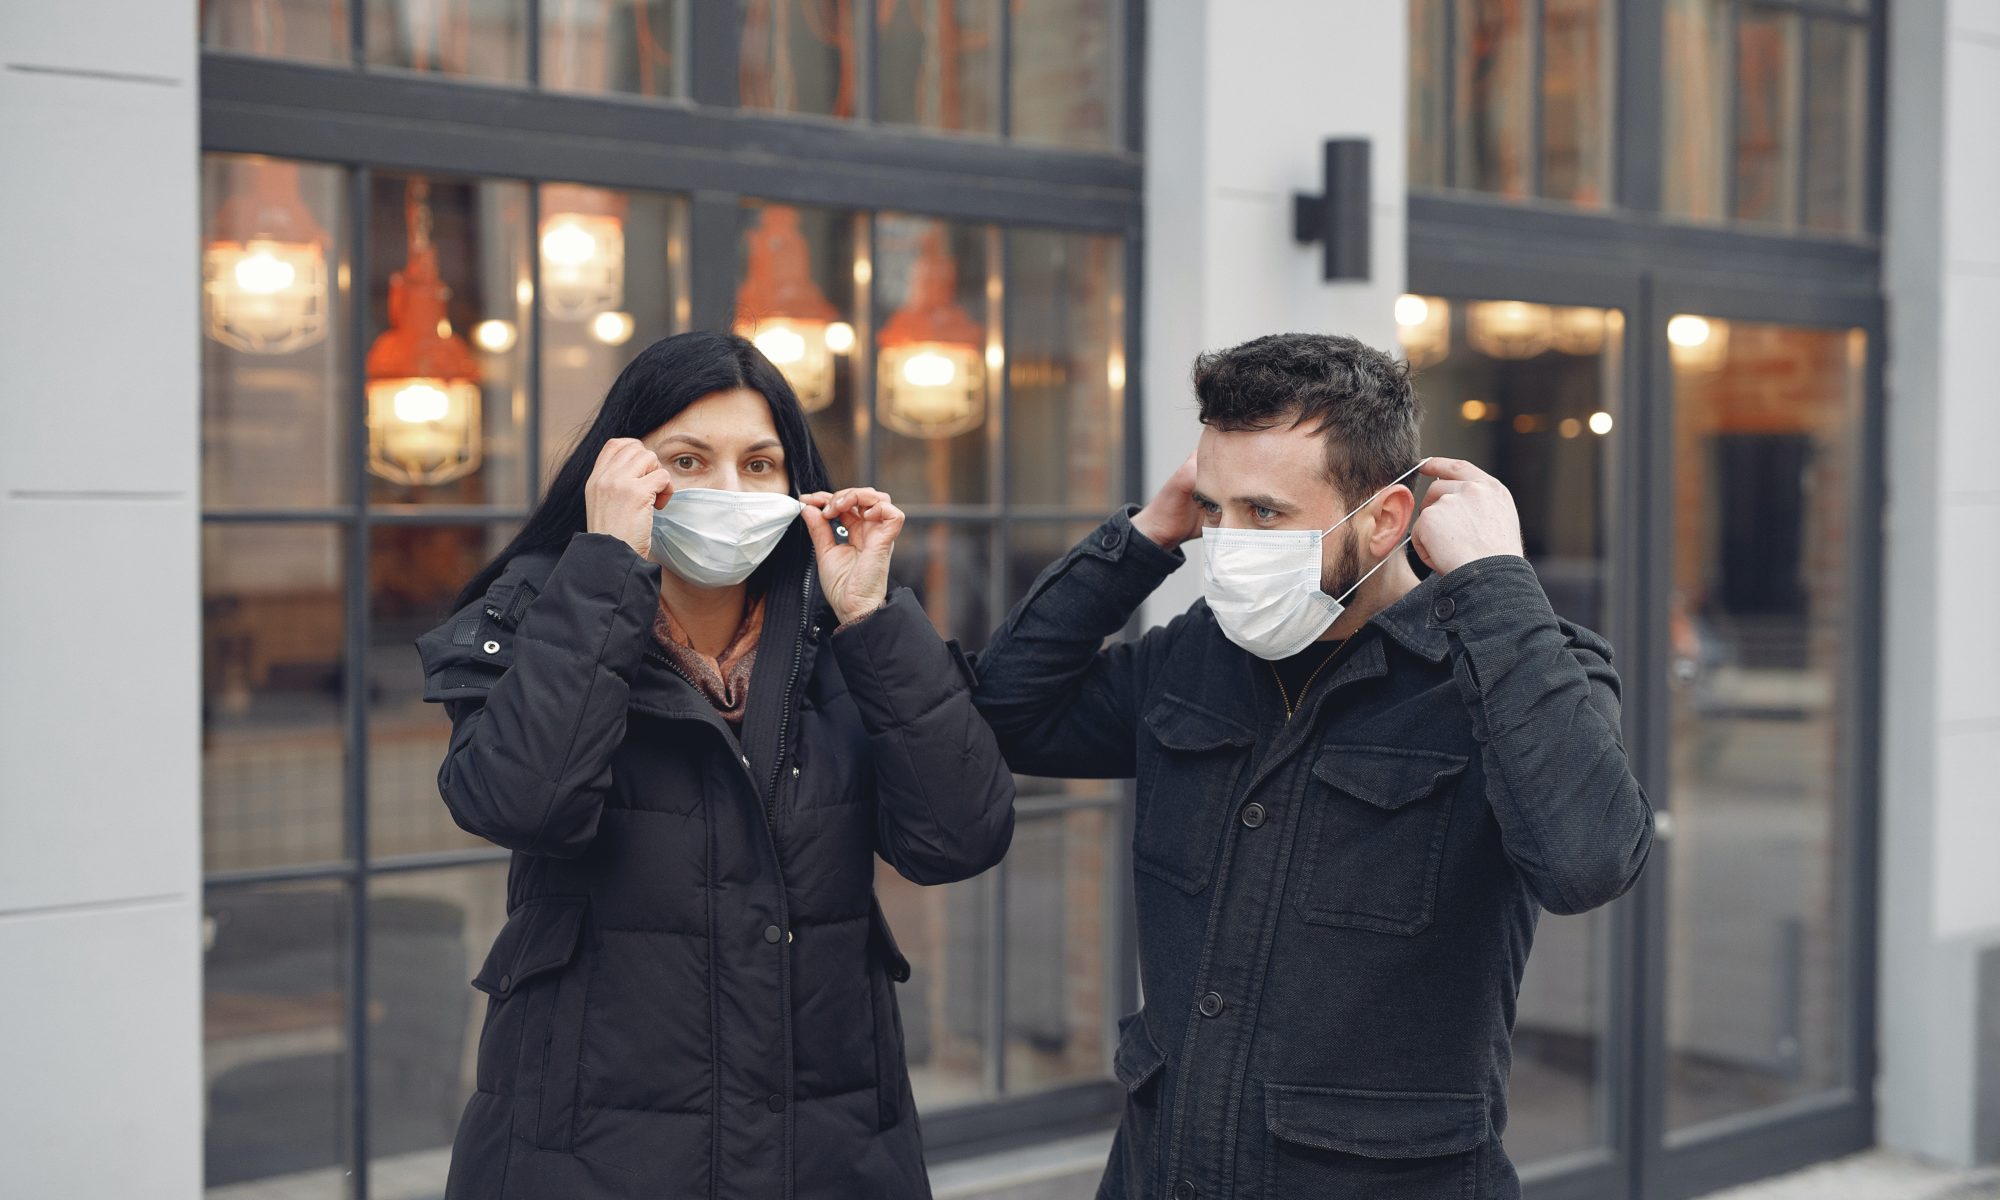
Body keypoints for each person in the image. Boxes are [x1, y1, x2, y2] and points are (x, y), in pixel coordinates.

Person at [970, 333, 1653, 1200]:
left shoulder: (1513, 668)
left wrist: (1496, 582)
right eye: (1213, 509)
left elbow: (1589, 861)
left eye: (1263, 514)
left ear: (1384, 520)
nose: (1226, 543)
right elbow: (1005, 712)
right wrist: (1144, 538)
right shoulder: (1196, 655)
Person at [416, 330, 1015, 1200]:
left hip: (830, 1147)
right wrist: (610, 567)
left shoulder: (847, 634)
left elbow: (960, 837)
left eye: (760, 463)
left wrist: (874, 624)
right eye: (688, 461)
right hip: (587, 1151)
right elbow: (521, 803)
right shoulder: (538, 618)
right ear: (622, 476)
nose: (730, 490)